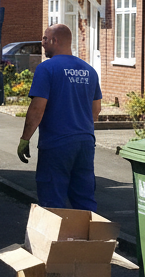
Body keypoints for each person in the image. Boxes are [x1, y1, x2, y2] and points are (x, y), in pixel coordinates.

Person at [17, 24, 102, 212]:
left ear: (55, 40)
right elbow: (96, 110)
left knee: (52, 200)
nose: (42, 43)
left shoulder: (46, 69)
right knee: (84, 198)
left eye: (45, 39)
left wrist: (25, 139)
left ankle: (57, 241)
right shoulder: (89, 71)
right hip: (85, 143)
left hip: (57, 143)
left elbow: (37, 109)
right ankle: (88, 240)